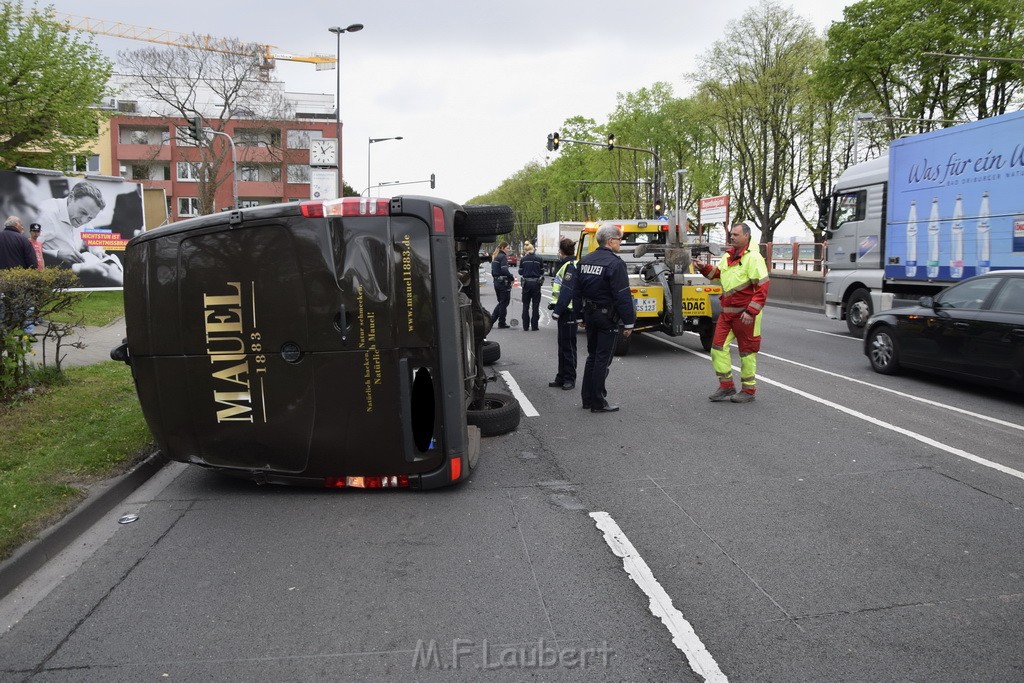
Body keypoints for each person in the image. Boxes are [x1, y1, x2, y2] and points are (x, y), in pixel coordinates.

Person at [554, 224, 635, 413]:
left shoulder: (584, 261)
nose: (620, 243)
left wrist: (580, 315)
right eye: (619, 240)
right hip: (607, 318)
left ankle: (587, 399)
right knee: (602, 359)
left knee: (592, 356)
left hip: (590, 315)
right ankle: (598, 401)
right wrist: (629, 322)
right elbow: (622, 295)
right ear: (610, 241)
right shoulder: (615, 263)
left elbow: (576, 291)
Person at [693, 221, 770, 403]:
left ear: (746, 236)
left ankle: (748, 391)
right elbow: (717, 274)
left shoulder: (753, 258)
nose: (732, 238)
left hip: (746, 316)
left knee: (747, 352)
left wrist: (751, 312)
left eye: (735, 235)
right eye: (731, 235)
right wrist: (704, 267)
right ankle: (727, 386)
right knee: (717, 348)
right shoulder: (728, 256)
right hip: (728, 314)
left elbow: (762, 287)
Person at [38, 181, 122, 286]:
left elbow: (92, 238)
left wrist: (97, 251)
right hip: (50, 276)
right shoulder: (46, 214)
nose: (83, 220)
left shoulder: (86, 215)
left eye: (90, 218)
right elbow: (27, 248)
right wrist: (57, 254)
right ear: (71, 197)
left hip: (75, 272)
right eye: (83, 212)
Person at [547, 237, 578, 390]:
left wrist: (557, 311)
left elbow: (567, 291)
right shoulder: (568, 264)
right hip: (567, 311)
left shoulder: (570, 266)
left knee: (568, 348)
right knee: (563, 346)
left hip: (569, 312)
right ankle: (561, 377)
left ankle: (569, 379)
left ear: (561, 252)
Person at [517, 241, 544, 331]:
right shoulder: (539, 258)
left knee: (525, 305)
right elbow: (542, 271)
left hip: (526, 283)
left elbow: (520, 272)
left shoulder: (523, 259)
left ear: (526, 250)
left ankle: (525, 326)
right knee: (536, 305)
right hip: (536, 283)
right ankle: (534, 326)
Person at [490, 241, 513, 329]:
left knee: (501, 302)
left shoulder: (495, 256)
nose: (508, 250)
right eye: (507, 248)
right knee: (504, 302)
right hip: (503, 283)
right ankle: (500, 322)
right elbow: (504, 270)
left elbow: (492, 271)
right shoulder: (502, 257)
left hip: (496, 282)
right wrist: (511, 277)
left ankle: (493, 320)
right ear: (503, 248)